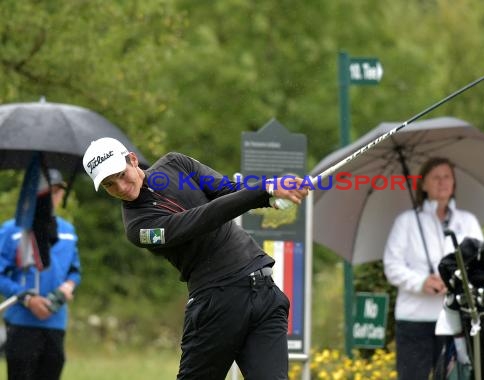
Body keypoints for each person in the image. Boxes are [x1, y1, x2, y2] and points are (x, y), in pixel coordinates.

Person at [82, 137, 309, 380]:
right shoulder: (139, 228)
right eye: (109, 185)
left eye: (121, 174)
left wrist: (270, 197)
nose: (121, 187)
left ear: (133, 159)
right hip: (217, 303)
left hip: (264, 289)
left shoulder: (176, 164)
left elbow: (228, 190)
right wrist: (265, 189)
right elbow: (203, 219)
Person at [383, 157, 484, 380]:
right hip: (414, 320)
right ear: (423, 185)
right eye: (435, 177)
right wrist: (421, 282)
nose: (442, 182)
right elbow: (392, 265)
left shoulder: (468, 222)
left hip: (455, 320)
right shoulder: (407, 222)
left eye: (447, 176)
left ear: (454, 183)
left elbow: (480, 263)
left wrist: (455, 283)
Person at [0, 169, 81, 380]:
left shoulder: (68, 231)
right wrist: (27, 298)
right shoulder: (12, 230)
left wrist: (68, 287)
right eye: (46, 192)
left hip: (55, 323)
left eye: (56, 192)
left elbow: (74, 271)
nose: (51, 198)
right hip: (21, 323)